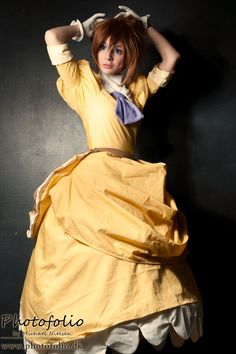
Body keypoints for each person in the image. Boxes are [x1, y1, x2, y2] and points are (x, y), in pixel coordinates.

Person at [19, 5, 203, 354]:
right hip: (92, 178)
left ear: (129, 54)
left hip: (132, 180)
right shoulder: (82, 81)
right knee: (84, 257)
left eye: (117, 49)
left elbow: (171, 56)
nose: (107, 55)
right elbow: (52, 38)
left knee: (137, 261)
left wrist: (142, 26)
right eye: (103, 47)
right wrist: (83, 29)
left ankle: (128, 320)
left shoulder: (139, 87)